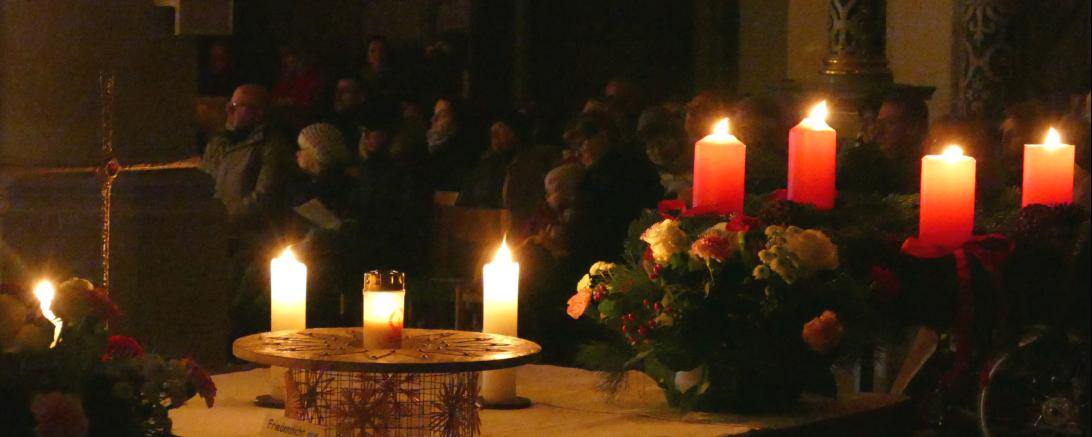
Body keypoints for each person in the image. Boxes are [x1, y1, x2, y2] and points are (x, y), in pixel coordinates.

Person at [199, 84, 293, 343]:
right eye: (231, 104)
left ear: (259, 112)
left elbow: (264, 198)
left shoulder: (270, 147)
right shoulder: (218, 145)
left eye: (238, 107)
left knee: (235, 306)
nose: (229, 111)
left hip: (247, 243)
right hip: (215, 238)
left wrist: (223, 218)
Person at [567, 112, 664, 268]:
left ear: (602, 136)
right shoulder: (597, 174)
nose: (578, 153)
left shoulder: (616, 172)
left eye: (581, 143)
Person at [288, 123, 357, 327]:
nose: (298, 154)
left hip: (330, 254)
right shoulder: (308, 183)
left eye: (304, 150)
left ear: (317, 153)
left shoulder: (336, 185)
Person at [840, 92, 930, 194]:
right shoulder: (858, 164)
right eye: (879, 123)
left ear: (914, 127)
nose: (879, 131)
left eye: (890, 123)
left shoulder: (933, 172)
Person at [457, 113, 527, 209]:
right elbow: (464, 199)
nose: (495, 136)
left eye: (501, 129)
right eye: (493, 133)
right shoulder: (485, 165)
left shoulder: (526, 164)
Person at [426, 97, 480, 192]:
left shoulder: (461, 154)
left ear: (456, 120)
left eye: (442, 115)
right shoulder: (425, 147)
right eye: (434, 114)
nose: (434, 119)